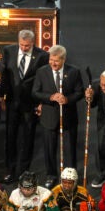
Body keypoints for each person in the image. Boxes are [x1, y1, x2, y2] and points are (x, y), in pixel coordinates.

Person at [0, 30, 48, 184]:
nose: (24, 48)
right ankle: (10, 171)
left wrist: (41, 103)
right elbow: (5, 75)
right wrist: (1, 94)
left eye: (27, 46)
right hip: (12, 103)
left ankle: (24, 172)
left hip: (30, 103)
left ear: (33, 43)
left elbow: (43, 80)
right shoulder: (8, 51)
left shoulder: (42, 56)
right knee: (10, 139)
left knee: (27, 140)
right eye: (22, 45)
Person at [31, 44, 85, 177]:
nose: (53, 63)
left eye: (56, 60)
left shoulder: (74, 72)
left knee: (69, 150)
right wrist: (50, 97)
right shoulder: (42, 71)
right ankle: (51, 175)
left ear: (63, 59)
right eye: (51, 59)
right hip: (48, 117)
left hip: (68, 118)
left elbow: (79, 92)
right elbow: (35, 92)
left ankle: (70, 177)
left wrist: (67, 99)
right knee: (49, 150)